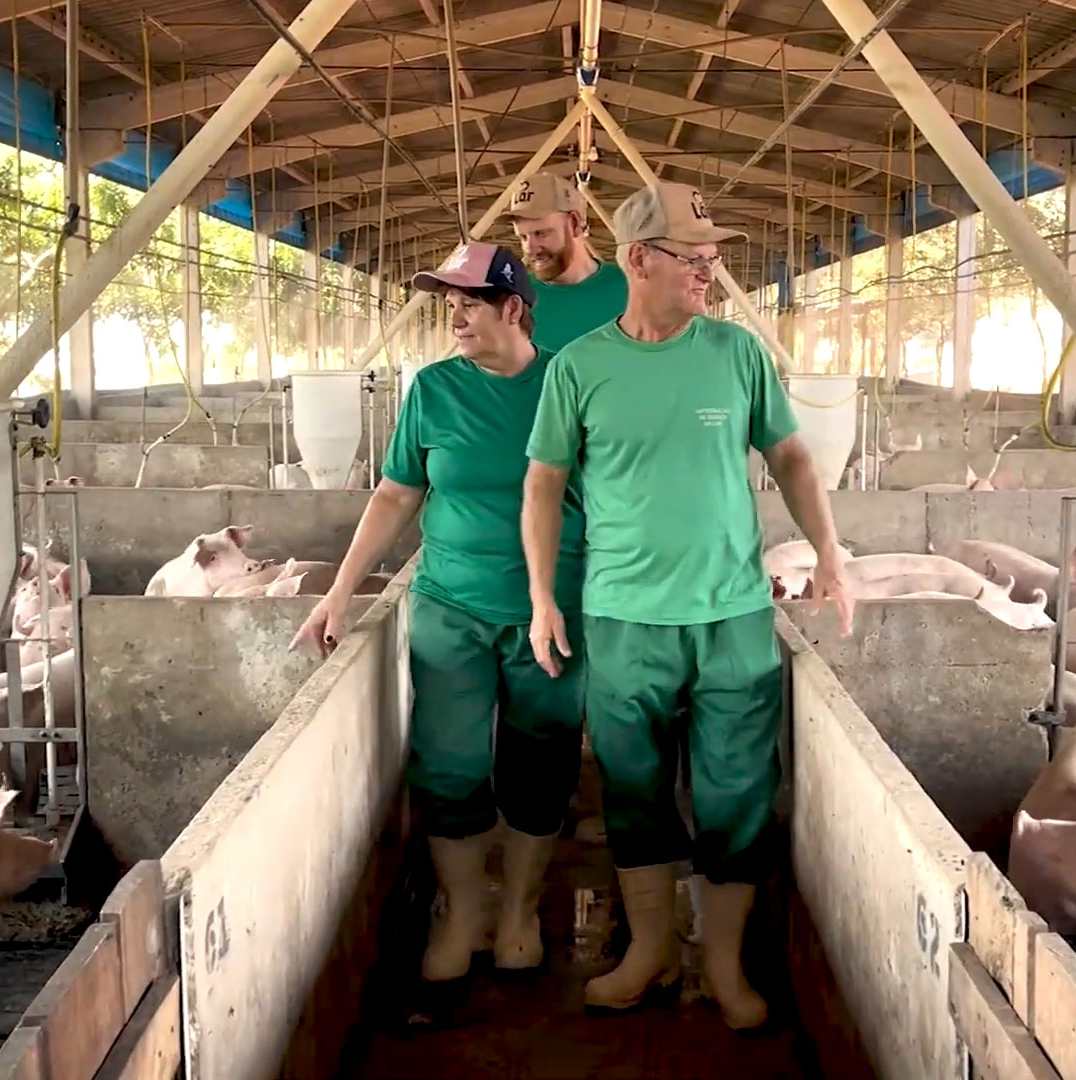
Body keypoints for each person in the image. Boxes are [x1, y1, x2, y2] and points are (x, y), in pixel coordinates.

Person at [520, 182, 854, 1030]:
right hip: (625, 613)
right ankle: (651, 949)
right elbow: (543, 484)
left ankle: (724, 962)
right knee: (632, 786)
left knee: (737, 788)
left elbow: (793, 458)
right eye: (693, 259)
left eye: (713, 259)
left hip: (731, 611)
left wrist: (830, 553)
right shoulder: (579, 367)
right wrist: (540, 597)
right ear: (637, 259)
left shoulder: (736, 355)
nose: (710, 272)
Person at [292, 241, 588, 984]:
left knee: (542, 757)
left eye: (470, 303)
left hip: (552, 607)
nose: (454, 317)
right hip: (451, 603)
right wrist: (339, 593)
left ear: (515, 307)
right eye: (447, 304)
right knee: (449, 762)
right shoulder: (432, 389)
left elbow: (615, 494)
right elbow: (397, 494)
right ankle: (463, 910)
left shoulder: (571, 383)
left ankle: (519, 910)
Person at [505, 172, 629, 353]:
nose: (531, 248)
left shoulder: (630, 290)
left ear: (574, 223)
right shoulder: (514, 301)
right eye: (523, 237)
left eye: (542, 233)